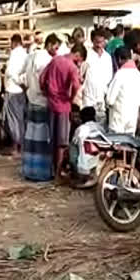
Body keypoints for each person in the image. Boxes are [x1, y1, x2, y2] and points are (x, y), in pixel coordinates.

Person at [40, 43, 86, 182]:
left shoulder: (55, 60)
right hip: (63, 105)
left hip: (51, 103)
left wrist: (46, 92)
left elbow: (42, 78)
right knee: (62, 141)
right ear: (78, 55)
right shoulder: (71, 67)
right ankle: (58, 174)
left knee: (52, 138)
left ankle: (51, 169)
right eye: (80, 60)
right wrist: (71, 99)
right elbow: (77, 86)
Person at [22, 33, 60, 181]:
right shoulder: (46, 60)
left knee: (31, 135)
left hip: (32, 98)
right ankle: (40, 172)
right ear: (50, 45)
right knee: (42, 138)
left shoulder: (31, 56)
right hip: (42, 100)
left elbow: (24, 77)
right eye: (55, 48)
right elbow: (45, 81)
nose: (56, 51)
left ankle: (29, 169)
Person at [106, 46, 140, 135]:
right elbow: (139, 101)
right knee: (129, 145)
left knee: (116, 145)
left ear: (119, 59)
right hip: (132, 120)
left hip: (118, 122)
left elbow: (110, 100)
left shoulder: (119, 75)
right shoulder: (139, 76)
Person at [82, 28, 113, 124]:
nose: (99, 44)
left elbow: (109, 76)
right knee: (88, 125)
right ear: (92, 41)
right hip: (88, 98)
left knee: (101, 127)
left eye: (101, 41)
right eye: (97, 42)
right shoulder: (87, 55)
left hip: (101, 98)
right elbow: (81, 74)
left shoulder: (107, 57)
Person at [3, 33, 28, 152]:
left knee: (12, 119)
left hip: (13, 89)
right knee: (20, 118)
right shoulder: (26, 54)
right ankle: (21, 144)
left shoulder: (15, 54)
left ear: (14, 43)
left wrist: (18, 81)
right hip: (21, 90)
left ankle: (15, 145)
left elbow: (10, 72)